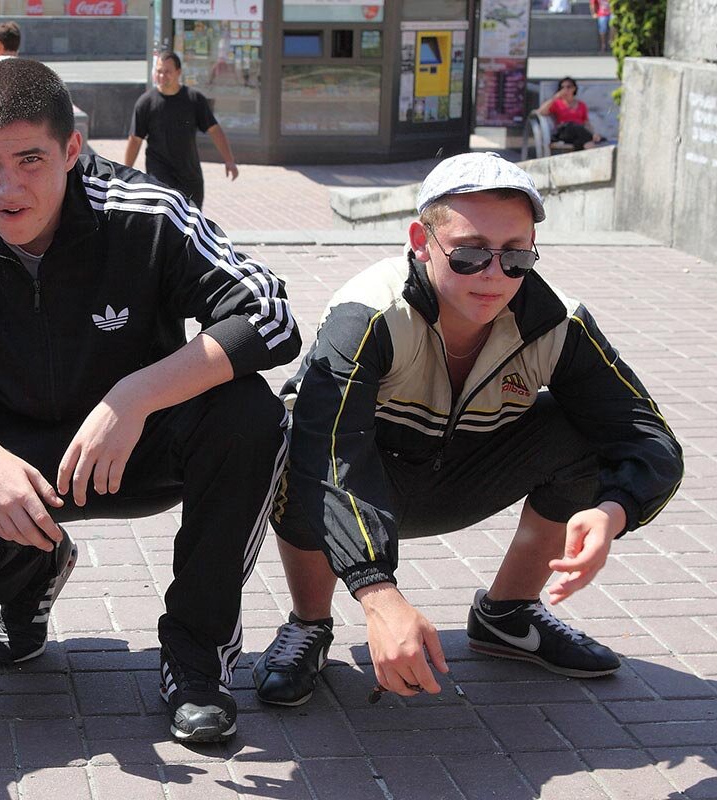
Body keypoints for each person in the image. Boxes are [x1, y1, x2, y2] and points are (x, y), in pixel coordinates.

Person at [0, 58, 301, 743]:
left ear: (72, 149)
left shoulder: (146, 212)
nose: (6, 187)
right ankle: (35, 573)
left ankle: (197, 657)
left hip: (139, 442)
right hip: (18, 451)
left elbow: (271, 316)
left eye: (31, 160)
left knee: (251, 415)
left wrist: (134, 396)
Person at [253, 152, 683, 708]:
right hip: (367, 484)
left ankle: (509, 614)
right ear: (421, 241)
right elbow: (330, 455)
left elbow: (648, 436)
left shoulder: (558, 322)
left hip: (466, 475)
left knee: (581, 429)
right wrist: (378, 595)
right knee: (294, 437)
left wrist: (614, 510)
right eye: (471, 253)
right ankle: (309, 623)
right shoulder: (369, 312)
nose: (493, 274)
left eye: (515, 255)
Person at [123, 51, 238, 211]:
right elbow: (135, 140)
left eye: (167, 72)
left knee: (192, 220)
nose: (162, 76)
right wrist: (125, 174)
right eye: (159, 71)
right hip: (159, 175)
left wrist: (229, 160)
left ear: (178, 72)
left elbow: (214, 130)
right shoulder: (145, 103)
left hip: (190, 176)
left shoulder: (194, 99)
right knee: (165, 216)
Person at [536, 77, 604, 151]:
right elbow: (540, 111)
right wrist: (554, 98)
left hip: (579, 133)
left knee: (580, 136)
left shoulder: (581, 105)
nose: (565, 90)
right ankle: (592, 139)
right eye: (562, 87)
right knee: (572, 125)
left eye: (568, 87)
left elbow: (586, 123)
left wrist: (593, 133)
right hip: (565, 131)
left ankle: (586, 142)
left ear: (574, 88)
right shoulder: (557, 103)